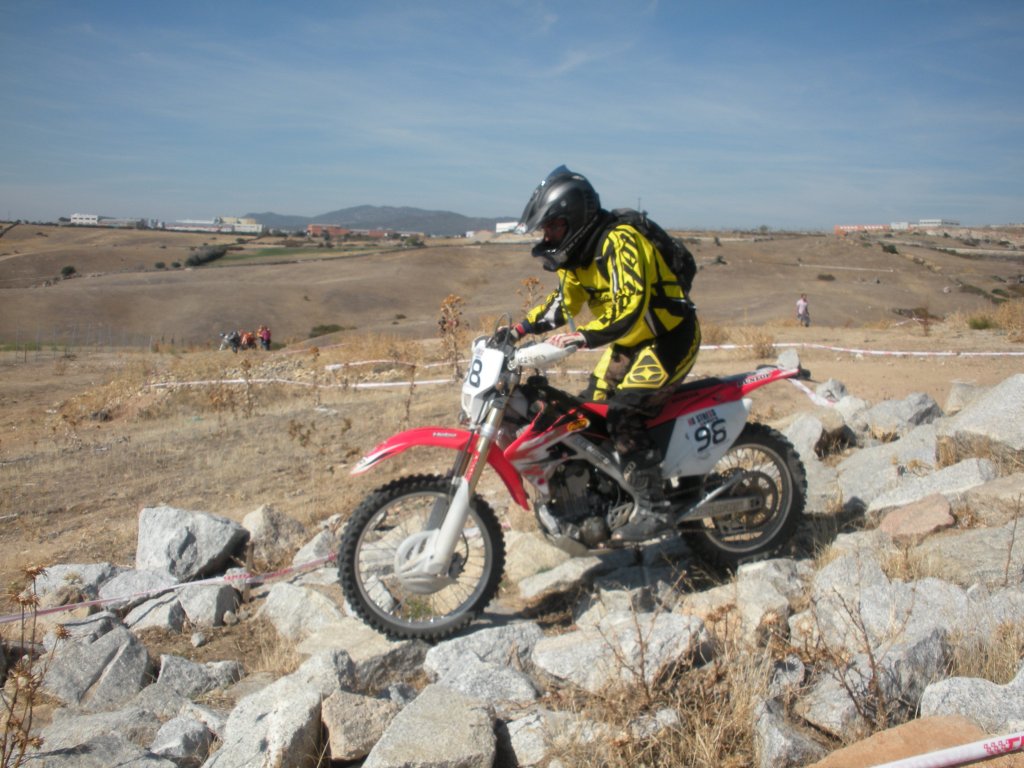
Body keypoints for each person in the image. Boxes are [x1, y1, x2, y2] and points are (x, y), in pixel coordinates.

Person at [510, 165, 701, 541]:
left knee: (623, 412)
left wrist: (581, 338)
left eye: (553, 226)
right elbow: (563, 304)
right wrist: (516, 330)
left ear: (575, 217)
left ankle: (655, 507)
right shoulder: (575, 257)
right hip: (631, 344)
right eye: (545, 229)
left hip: (669, 338)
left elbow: (630, 307)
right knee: (586, 414)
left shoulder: (620, 240)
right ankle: (609, 497)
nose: (547, 236)